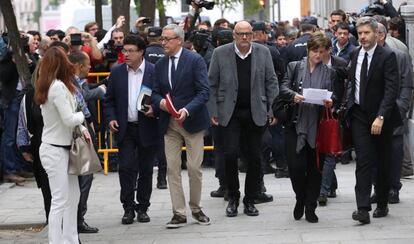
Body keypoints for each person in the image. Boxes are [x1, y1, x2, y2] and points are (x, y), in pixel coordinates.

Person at [208, 21, 278, 217]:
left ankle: (250, 199)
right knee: (229, 154)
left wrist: (273, 110)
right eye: (241, 34)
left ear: (253, 35)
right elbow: (211, 83)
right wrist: (213, 109)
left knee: (255, 158)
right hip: (229, 113)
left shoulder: (263, 53)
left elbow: (271, 82)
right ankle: (233, 197)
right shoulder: (220, 53)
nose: (245, 37)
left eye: (248, 34)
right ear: (234, 35)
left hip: (256, 112)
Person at [152, 24, 211, 228]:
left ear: (178, 40)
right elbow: (155, 92)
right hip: (169, 124)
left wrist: (187, 110)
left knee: (194, 168)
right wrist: (160, 103)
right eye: (162, 39)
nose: (163, 43)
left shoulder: (195, 60)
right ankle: (178, 212)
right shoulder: (160, 65)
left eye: (167, 39)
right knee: (172, 169)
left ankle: (196, 208)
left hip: (192, 122)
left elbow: (204, 91)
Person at [278, 33, 340, 223]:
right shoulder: (295, 67)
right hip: (295, 125)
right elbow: (283, 88)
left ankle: (311, 206)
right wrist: (294, 95)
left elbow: (336, 97)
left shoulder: (330, 73)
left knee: (315, 169)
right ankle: (300, 198)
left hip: (318, 127)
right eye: (315, 51)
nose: (318, 55)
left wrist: (331, 102)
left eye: (322, 52)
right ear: (308, 50)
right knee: (296, 167)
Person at [34, 46, 91, 244]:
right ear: (60, 63)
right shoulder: (57, 87)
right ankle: (57, 241)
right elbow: (68, 119)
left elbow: (65, 121)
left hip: (62, 149)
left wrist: (82, 128)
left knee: (72, 198)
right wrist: (82, 116)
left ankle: (70, 239)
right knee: (60, 201)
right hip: (55, 150)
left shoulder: (51, 85)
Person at [347, 17, 400, 225]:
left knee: (382, 161)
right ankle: (362, 208)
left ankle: (383, 201)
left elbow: (391, 90)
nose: (362, 37)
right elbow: (352, 82)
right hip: (360, 115)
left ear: (376, 34)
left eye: (366, 33)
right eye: (359, 33)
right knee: (363, 160)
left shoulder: (387, 56)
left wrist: (381, 116)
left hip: (380, 116)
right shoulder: (354, 54)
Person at [104, 34, 159, 225]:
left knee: (145, 169)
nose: (126, 54)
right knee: (126, 168)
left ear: (141, 52)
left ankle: (143, 207)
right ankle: (128, 207)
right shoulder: (118, 72)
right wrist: (110, 119)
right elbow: (109, 100)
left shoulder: (154, 71)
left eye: (130, 51)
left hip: (147, 126)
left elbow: (162, 96)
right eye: (124, 50)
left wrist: (156, 109)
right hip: (125, 128)